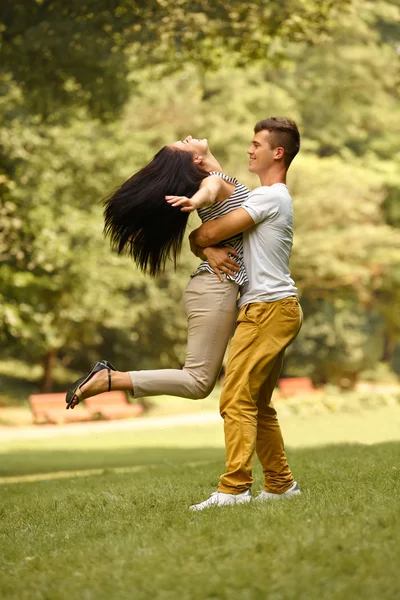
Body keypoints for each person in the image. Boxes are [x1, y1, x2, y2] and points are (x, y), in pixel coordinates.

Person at [66, 137, 250, 409]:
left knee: (200, 380)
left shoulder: (219, 178)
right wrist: (195, 201)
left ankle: (110, 379)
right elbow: (209, 190)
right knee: (198, 382)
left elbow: (206, 218)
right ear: (196, 160)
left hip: (214, 286)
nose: (186, 137)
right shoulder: (213, 181)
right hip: (217, 287)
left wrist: (203, 246)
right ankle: (109, 380)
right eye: (183, 144)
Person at [188, 117, 303, 510]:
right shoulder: (267, 196)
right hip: (275, 308)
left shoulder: (269, 198)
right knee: (258, 403)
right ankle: (281, 484)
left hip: (267, 309)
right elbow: (230, 194)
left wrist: (201, 244)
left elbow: (207, 233)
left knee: (235, 397)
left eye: (256, 144)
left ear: (278, 152)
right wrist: (210, 165)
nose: (249, 149)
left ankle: (234, 489)